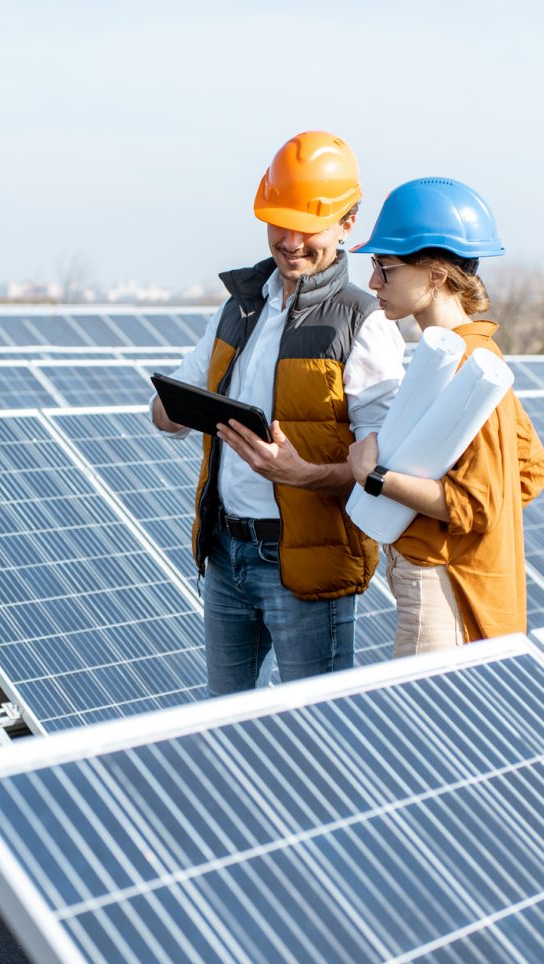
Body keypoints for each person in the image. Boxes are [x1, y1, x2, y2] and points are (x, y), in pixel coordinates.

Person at [151, 130, 405, 692]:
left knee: (316, 737)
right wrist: (171, 411)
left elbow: (386, 467)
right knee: (223, 725)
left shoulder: (365, 322)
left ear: (347, 225)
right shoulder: (240, 306)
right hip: (225, 553)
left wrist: (302, 474)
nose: (290, 240)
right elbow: (169, 407)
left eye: (307, 226)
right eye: (278, 222)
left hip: (306, 564)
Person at [347, 177, 544, 656]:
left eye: (384, 268)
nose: (373, 281)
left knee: (419, 731)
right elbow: (528, 470)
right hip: (448, 585)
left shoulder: (467, 368)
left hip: (443, 596)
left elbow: (477, 506)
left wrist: (373, 477)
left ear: (435, 274)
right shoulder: (473, 357)